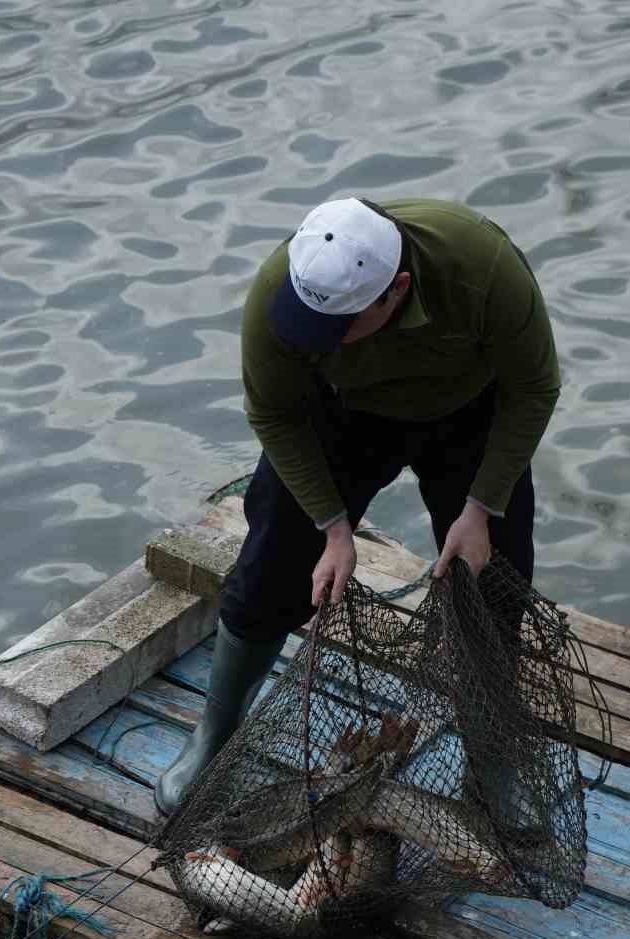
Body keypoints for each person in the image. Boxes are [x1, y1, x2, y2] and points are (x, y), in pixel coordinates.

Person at [155, 197, 561, 815]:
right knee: (272, 563)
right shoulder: (283, 287)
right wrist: (333, 525)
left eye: (338, 326)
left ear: (394, 291)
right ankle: (215, 732)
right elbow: (272, 411)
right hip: (341, 414)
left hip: (469, 413)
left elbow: (536, 385)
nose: (318, 337)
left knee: (492, 584)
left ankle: (493, 758)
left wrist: (480, 508)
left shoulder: (483, 266)